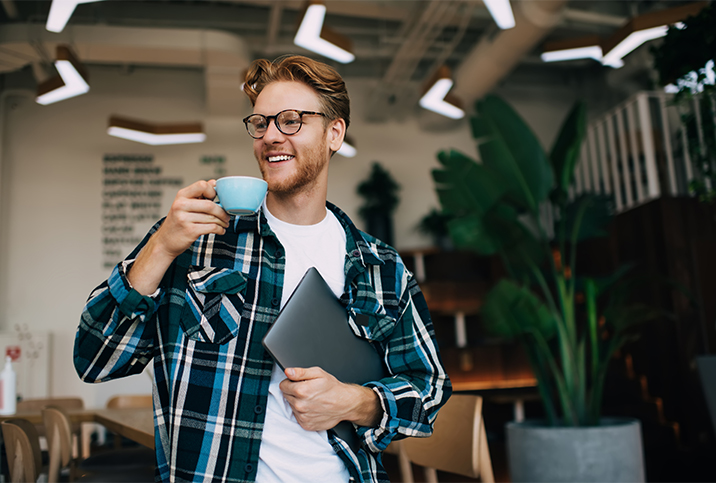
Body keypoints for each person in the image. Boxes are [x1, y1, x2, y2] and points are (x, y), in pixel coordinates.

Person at [75, 55, 451, 483]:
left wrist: (353, 402)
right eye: (260, 123)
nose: (271, 135)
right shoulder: (194, 238)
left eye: (291, 120)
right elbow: (94, 359)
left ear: (334, 133)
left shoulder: (381, 266)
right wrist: (161, 247)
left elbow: (429, 388)